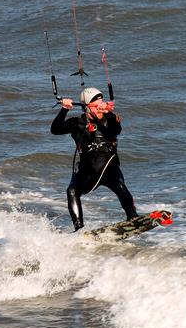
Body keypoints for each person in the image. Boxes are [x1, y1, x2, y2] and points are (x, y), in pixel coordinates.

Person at [51, 87, 138, 231]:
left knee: (120, 186)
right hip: (88, 170)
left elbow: (117, 130)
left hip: (109, 166)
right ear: (87, 107)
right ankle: (79, 229)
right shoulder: (77, 123)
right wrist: (64, 109)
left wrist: (107, 112)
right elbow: (55, 130)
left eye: (101, 103)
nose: (99, 107)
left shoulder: (109, 119)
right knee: (72, 191)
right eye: (96, 105)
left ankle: (133, 216)